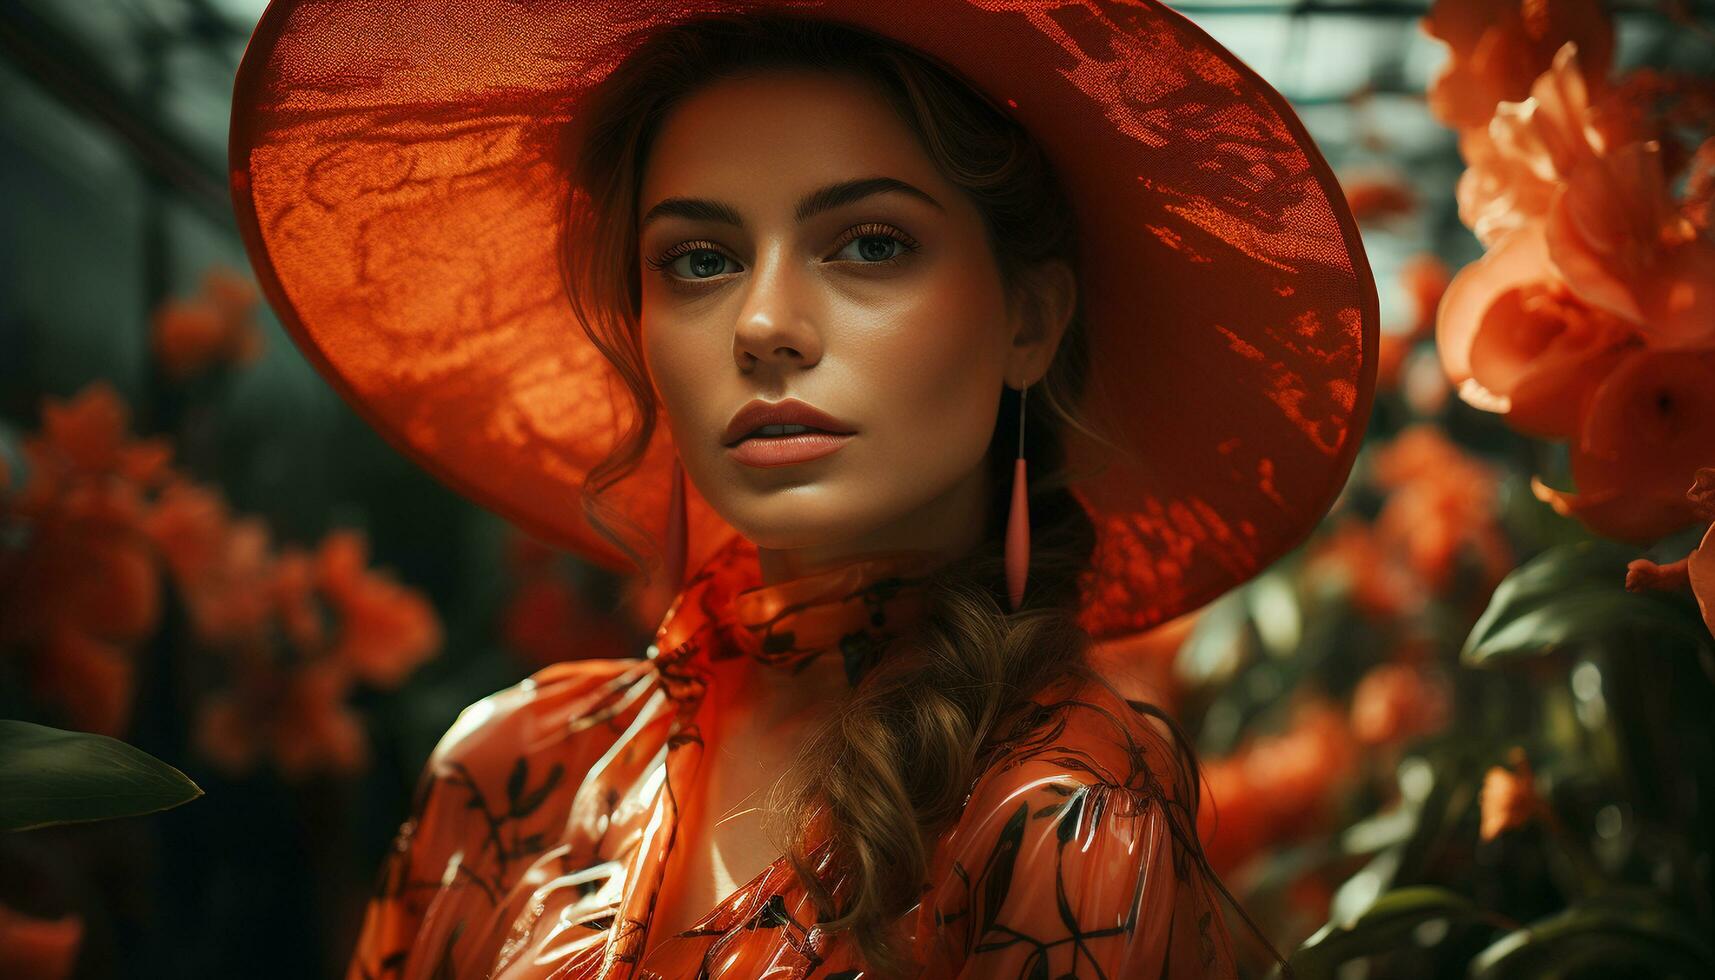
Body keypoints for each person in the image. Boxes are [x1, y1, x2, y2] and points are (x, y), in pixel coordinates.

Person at [229, 3, 1378, 977]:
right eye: (698, 259)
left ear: (1026, 318)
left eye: (869, 244)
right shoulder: (507, 767)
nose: (766, 325)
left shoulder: (1062, 817)